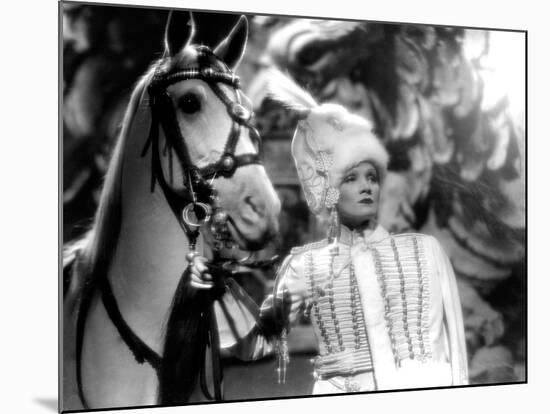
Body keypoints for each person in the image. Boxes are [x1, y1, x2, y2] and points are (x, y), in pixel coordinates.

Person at [189, 85, 468, 394]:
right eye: (351, 178)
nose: (367, 187)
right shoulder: (306, 266)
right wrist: (219, 289)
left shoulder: (424, 251)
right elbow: (256, 344)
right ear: (329, 192)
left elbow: (454, 352)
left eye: (371, 177)